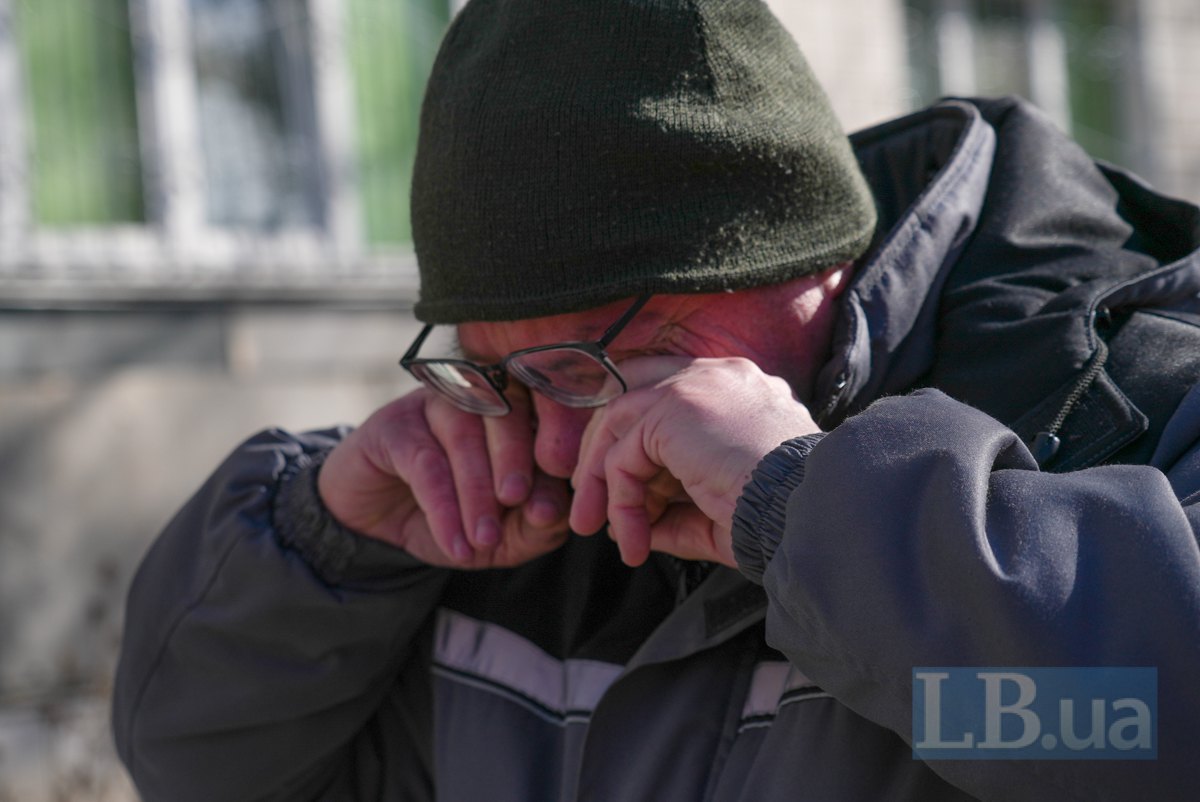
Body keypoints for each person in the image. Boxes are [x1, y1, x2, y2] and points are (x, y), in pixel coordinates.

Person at [112, 0, 1200, 800]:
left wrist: (807, 509)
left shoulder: (1133, 402)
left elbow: (1152, 734)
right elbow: (210, 769)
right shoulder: (489, 507)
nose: (551, 443)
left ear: (801, 271)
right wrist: (327, 555)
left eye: (594, 362)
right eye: (499, 372)